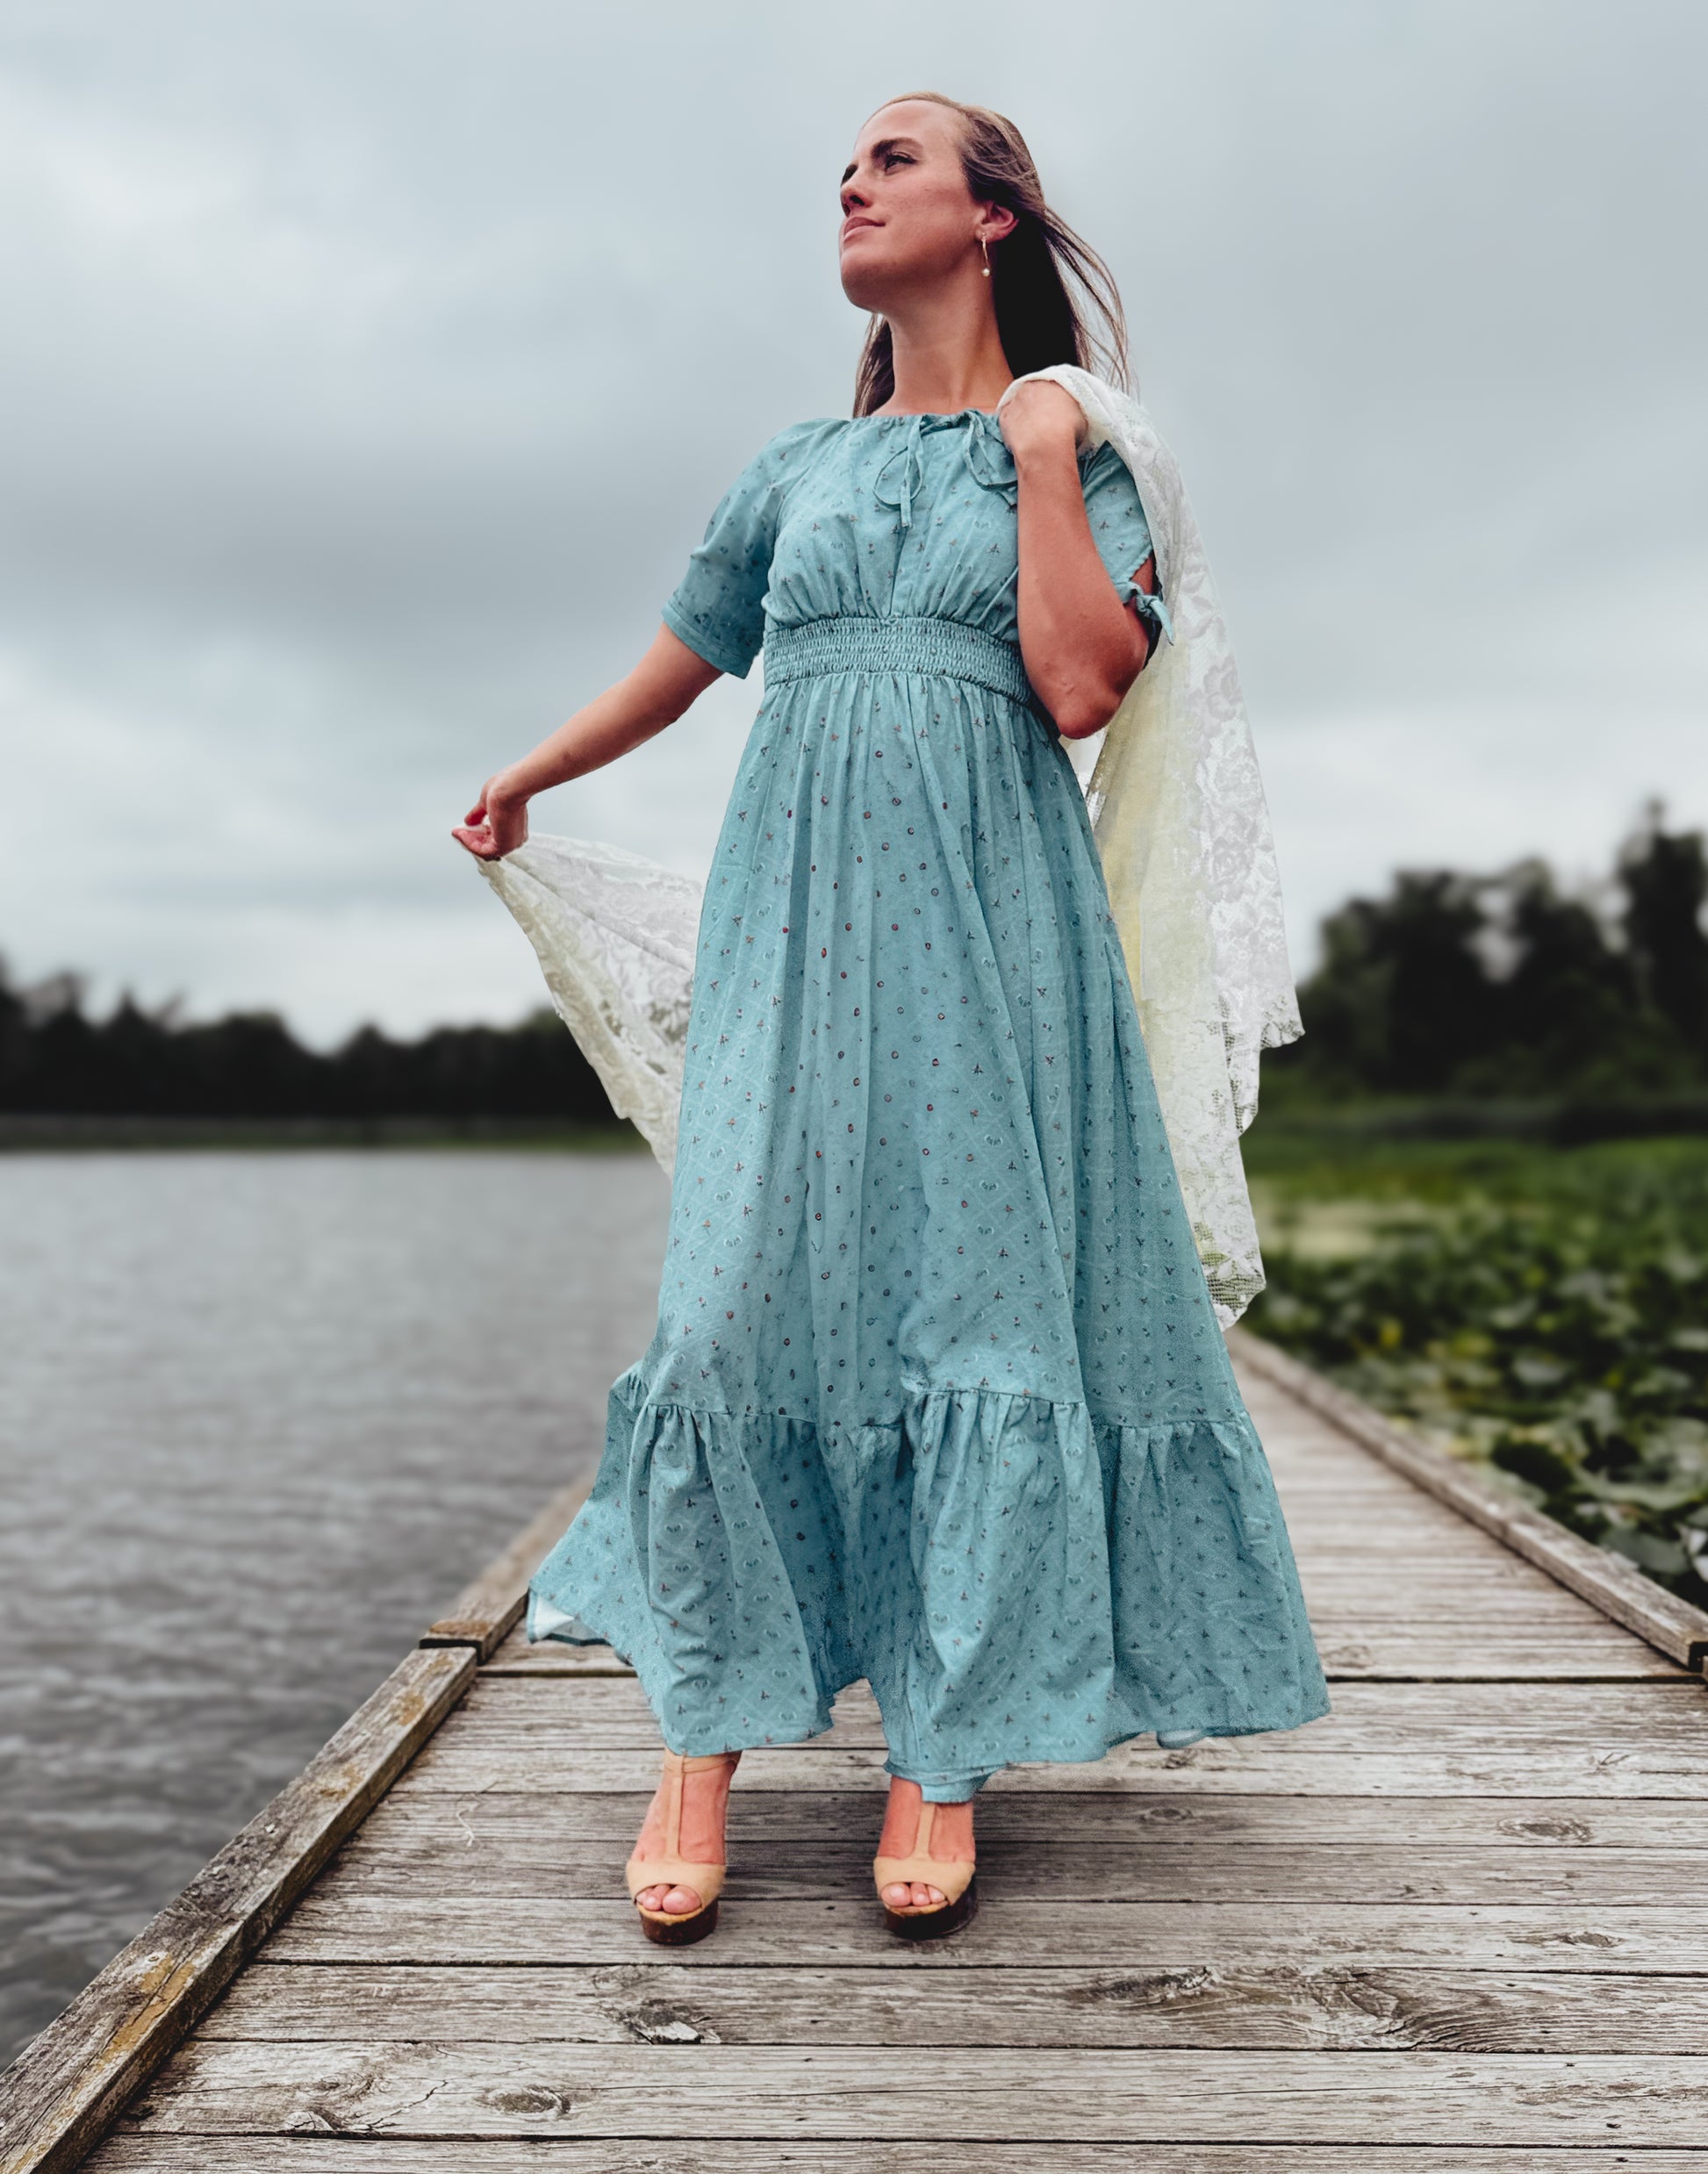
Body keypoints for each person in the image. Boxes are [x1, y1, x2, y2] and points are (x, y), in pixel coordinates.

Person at [454, 90, 1328, 1946]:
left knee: (976, 1312)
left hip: (996, 934)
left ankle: (944, 1746)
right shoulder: (793, 468)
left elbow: (1080, 686)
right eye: (844, 168)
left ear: (992, 215)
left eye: (894, 159)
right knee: (727, 1301)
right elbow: (680, 661)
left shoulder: (1084, 447)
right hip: (793, 926)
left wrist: (1039, 450)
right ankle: (697, 1739)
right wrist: (525, 776)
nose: (852, 185)